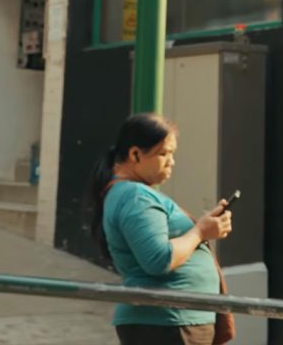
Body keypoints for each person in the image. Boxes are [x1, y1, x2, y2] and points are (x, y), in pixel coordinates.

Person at [89, 113, 233, 345]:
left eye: (172, 154)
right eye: (164, 154)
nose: (171, 162)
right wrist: (200, 232)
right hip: (167, 322)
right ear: (135, 154)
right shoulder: (135, 196)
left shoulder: (130, 194)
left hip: (172, 320)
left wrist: (203, 229)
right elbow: (159, 259)